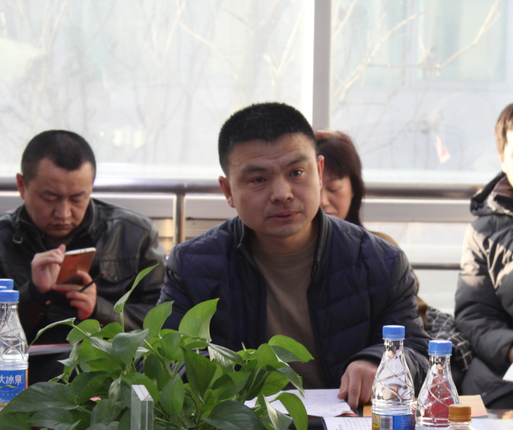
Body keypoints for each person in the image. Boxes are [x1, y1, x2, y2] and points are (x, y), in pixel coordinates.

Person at [158, 102, 429, 411]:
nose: (282, 193)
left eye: (296, 172)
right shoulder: (192, 265)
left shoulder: (381, 261)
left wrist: (376, 361)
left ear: (320, 172)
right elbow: (161, 358)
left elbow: (417, 352)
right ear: (228, 190)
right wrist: (214, 378)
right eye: (258, 180)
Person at [0, 130, 166, 384]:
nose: (63, 213)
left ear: (91, 187)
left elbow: (162, 321)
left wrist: (99, 310)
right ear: (22, 186)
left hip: (109, 368)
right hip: (25, 369)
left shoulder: (134, 234)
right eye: (50, 198)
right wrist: (33, 294)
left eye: (77, 198)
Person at [316, 130, 473, 389]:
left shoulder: (381, 254)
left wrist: (375, 360)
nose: (323, 201)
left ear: (354, 188)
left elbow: (413, 335)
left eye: (334, 188)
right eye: (316, 188)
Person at [455, 103, 513, 407]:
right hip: (503, 373)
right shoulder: (483, 233)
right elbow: (475, 313)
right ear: (503, 159)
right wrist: (509, 348)